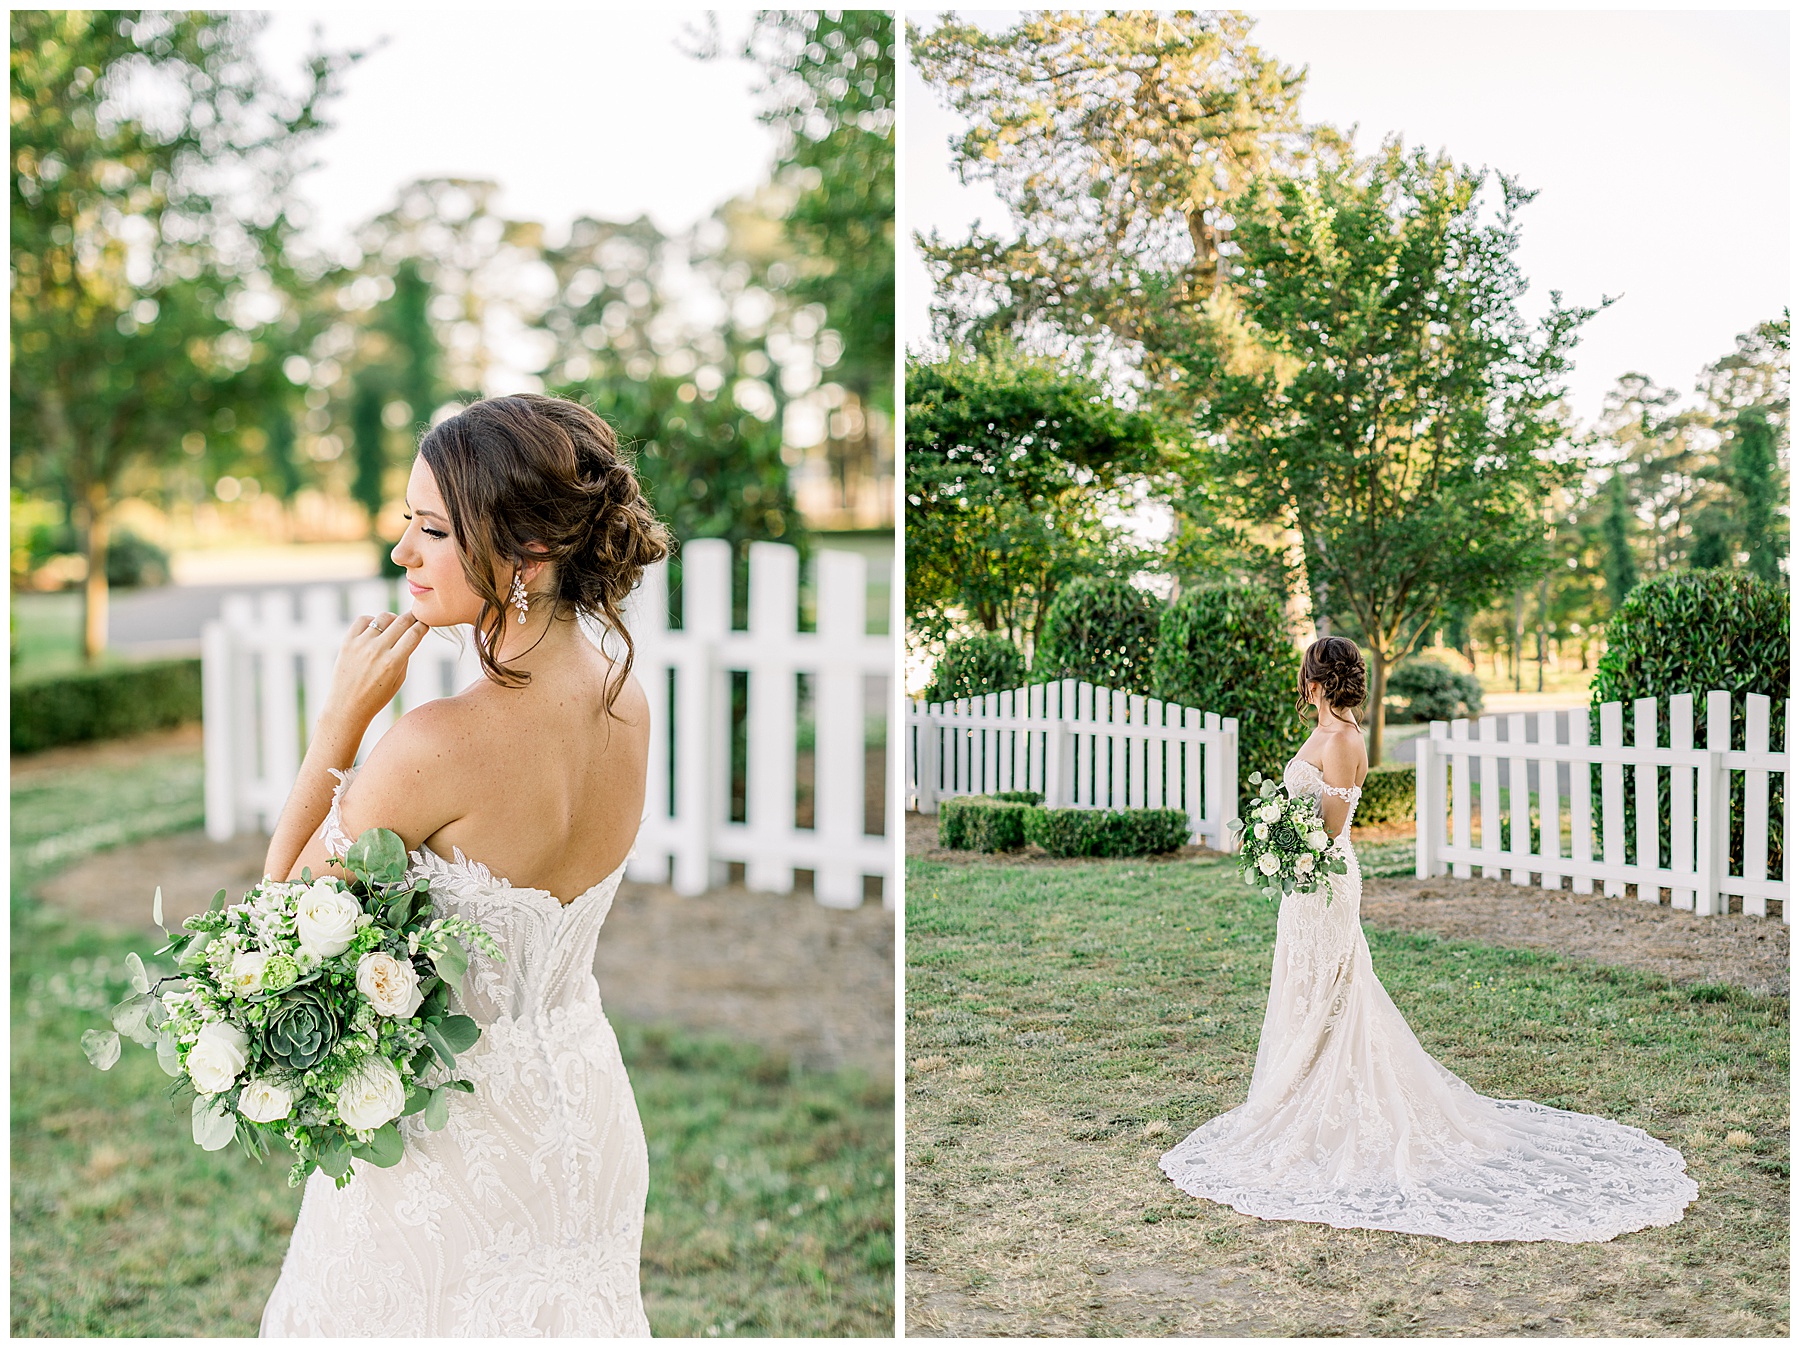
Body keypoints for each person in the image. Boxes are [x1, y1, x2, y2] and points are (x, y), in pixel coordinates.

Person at [258, 393, 671, 1335]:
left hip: (449, 1150)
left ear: (530, 555)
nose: (402, 550)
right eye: (408, 521)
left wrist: (340, 724)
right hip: (587, 1117)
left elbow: (274, 924)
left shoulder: (432, 745)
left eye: (434, 530)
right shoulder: (626, 701)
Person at [1159, 636, 1697, 1242]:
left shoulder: (1345, 741)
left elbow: (1328, 832)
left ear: (1316, 681)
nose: (1302, 686)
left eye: (1305, 676)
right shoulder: (1322, 732)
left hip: (1324, 881)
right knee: (1304, 988)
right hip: (1301, 887)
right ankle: (1297, 1095)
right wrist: (1266, 833)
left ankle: (1330, 1110)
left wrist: (1276, 835)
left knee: (1333, 993)